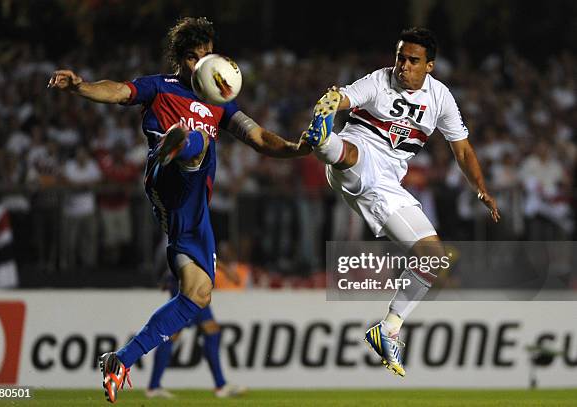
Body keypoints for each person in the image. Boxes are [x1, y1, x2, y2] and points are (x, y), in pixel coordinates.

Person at [48, 16, 310, 403]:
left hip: (192, 212)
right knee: (199, 145)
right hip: (165, 179)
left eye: (206, 55)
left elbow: (257, 136)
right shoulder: (160, 86)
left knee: (198, 293)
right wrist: (81, 87)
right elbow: (119, 91)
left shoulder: (220, 100)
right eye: (192, 57)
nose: (200, 64)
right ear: (179, 60)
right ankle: (177, 145)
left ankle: (120, 361)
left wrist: (297, 149)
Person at [302, 28, 500, 377]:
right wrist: (334, 101)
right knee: (350, 156)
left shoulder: (441, 98)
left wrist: (481, 189)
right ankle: (324, 142)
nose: (403, 66)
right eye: (400, 57)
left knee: (434, 257)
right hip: (357, 153)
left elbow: (463, 149)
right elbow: (343, 98)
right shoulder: (379, 80)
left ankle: (390, 327)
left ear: (430, 66)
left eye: (413, 60)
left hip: (389, 181)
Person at [146, 260, 245, 399]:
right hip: (189, 284)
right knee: (176, 334)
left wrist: (168, 277)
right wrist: (226, 270)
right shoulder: (197, 239)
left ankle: (220, 384)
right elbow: (199, 255)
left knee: (210, 332)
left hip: (189, 281)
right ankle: (154, 387)